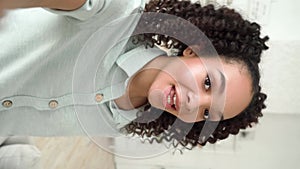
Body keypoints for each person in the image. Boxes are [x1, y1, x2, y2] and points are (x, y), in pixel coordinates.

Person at [0, 0, 268, 156]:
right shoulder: (121, 15)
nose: (194, 101)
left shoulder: (122, 122)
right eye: (208, 83)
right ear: (193, 49)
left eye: (208, 112)